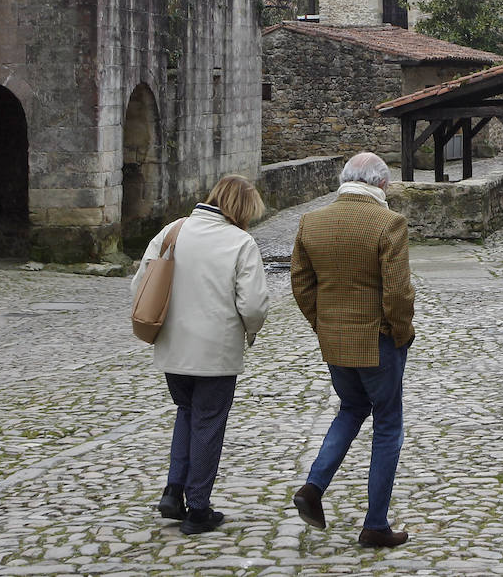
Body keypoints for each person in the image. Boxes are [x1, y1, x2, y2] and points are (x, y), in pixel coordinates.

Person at [131, 174, 270, 535]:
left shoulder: (172, 231)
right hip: (216, 350)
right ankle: (198, 506)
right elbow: (253, 305)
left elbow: (140, 283)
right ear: (241, 209)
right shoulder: (241, 243)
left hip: (174, 347)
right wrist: (250, 331)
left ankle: (174, 490)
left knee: (187, 412)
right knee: (208, 423)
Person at [290, 152, 415, 549]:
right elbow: (398, 293)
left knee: (351, 408)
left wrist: (322, 324)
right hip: (379, 341)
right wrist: (402, 333)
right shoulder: (388, 223)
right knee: (388, 425)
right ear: (380, 185)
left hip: (336, 342)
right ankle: (375, 523)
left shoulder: (312, 222)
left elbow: (301, 283)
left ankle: (313, 487)